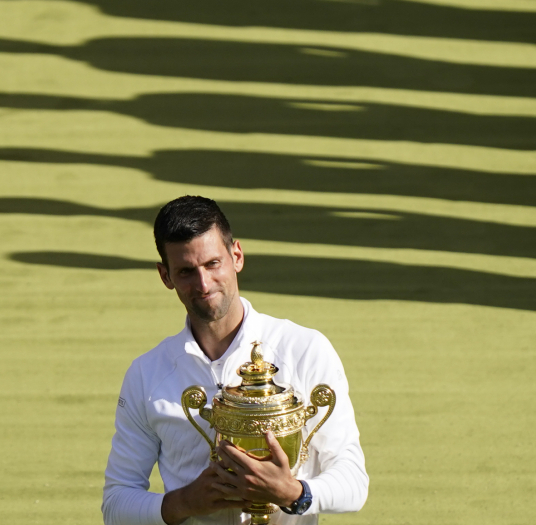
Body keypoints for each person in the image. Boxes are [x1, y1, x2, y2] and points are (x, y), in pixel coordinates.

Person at [102, 196, 368, 525]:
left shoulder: (305, 349)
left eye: (213, 264)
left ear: (236, 256)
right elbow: (116, 504)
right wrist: (186, 502)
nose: (203, 284)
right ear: (165, 276)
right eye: (186, 271)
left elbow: (354, 482)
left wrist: (293, 493)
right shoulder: (146, 374)